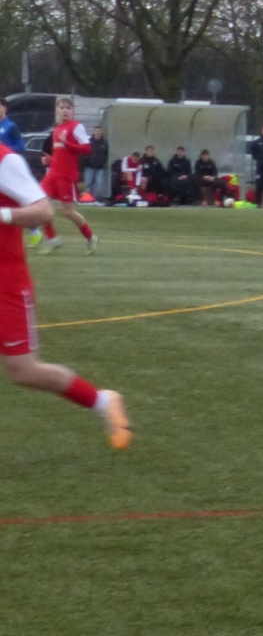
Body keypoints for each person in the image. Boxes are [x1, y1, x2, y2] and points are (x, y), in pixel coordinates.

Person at [0, 145, 131, 447]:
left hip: (6, 282)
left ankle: (103, 400)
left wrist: (3, 214)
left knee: (24, 371)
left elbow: (43, 211)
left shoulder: (5, 160)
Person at [40, 98, 99, 251]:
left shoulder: (76, 126)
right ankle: (52, 239)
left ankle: (91, 237)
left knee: (68, 212)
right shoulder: (58, 129)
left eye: (68, 108)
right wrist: (50, 160)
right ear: (56, 110)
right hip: (53, 174)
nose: (65, 110)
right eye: (62, 107)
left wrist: (67, 143)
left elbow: (87, 149)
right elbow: (61, 154)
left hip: (66, 175)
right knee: (39, 203)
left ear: (73, 111)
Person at [85, 129, 110, 202]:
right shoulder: (89, 142)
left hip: (100, 167)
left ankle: (95, 200)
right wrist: (86, 161)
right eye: (96, 131)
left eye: (99, 131)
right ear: (93, 132)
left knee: (99, 184)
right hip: (89, 166)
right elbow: (84, 153)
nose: (97, 132)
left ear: (101, 132)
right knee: (88, 183)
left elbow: (106, 154)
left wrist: (104, 163)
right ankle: (87, 199)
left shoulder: (104, 143)